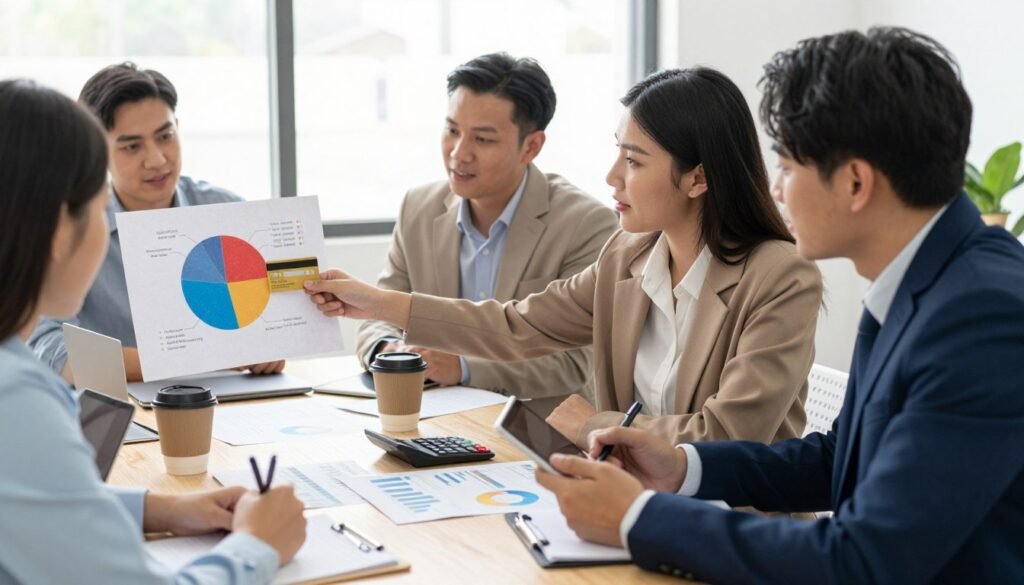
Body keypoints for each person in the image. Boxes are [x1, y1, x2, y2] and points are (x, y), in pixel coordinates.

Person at [532, 27, 1024, 584]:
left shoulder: (981, 316)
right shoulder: (921, 276)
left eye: (787, 167)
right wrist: (683, 468)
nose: (776, 189)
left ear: (856, 183)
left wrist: (640, 517)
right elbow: (839, 459)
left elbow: (867, 559)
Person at [306, 67, 823, 448]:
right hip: (629, 504)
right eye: (617, 151)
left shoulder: (781, 278)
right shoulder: (627, 257)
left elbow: (729, 434)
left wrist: (594, 425)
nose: (612, 177)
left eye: (634, 160)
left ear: (699, 177)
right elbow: (514, 327)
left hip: (731, 527)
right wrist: (374, 304)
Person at [0, 79, 306, 583]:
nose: (155, 160)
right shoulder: (19, 401)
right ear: (61, 230)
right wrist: (258, 546)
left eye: (165, 136)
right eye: (97, 201)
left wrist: (163, 511)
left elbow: (32, 502)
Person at [357, 53, 616, 398]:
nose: (459, 154)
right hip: (432, 419)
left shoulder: (585, 224)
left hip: (534, 432)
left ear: (531, 146)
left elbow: (574, 363)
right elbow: (381, 313)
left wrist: (462, 367)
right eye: (452, 131)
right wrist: (388, 350)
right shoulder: (418, 208)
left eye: (482, 139)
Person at [28, 62, 284, 383]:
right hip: (126, 410)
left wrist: (271, 345)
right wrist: (199, 356)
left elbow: (273, 322)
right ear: (96, 150)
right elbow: (50, 350)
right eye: (132, 146)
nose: (157, 159)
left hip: (235, 398)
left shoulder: (226, 210)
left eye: (165, 136)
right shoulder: (75, 229)